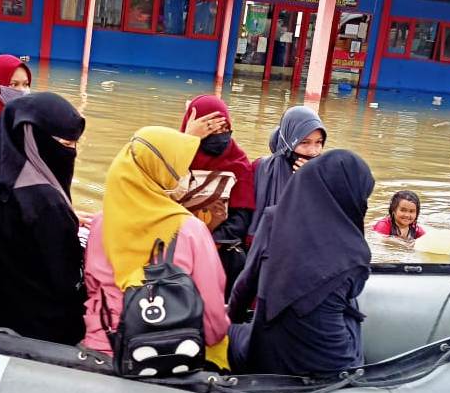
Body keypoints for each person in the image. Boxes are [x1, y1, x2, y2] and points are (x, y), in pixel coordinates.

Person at [81, 126, 230, 365]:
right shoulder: (191, 231)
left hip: (101, 347)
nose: (185, 178)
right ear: (162, 175)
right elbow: (212, 319)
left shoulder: (99, 223)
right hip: (166, 353)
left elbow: (92, 288)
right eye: (181, 171)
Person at [229, 150, 375, 376]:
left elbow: (245, 285)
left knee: (233, 333)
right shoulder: (355, 252)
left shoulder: (272, 219)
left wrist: (231, 318)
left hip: (264, 357)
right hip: (332, 366)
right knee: (351, 310)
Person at [0, 92, 87, 344]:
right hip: (39, 326)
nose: (70, 153)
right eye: (64, 144)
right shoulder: (45, 202)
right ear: (34, 138)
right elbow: (65, 279)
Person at [178, 95, 255, 296]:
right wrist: (187, 141)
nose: (219, 135)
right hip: (176, 244)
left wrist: (210, 243)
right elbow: (157, 195)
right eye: (210, 129)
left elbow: (242, 216)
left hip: (219, 249)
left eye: (224, 129)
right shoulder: (173, 157)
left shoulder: (238, 162)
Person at [250, 105, 326, 236]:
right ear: (288, 141)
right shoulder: (261, 168)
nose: (313, 151)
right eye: (304, 142)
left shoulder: (329, 176)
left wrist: (313, 184)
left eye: (318, 142)